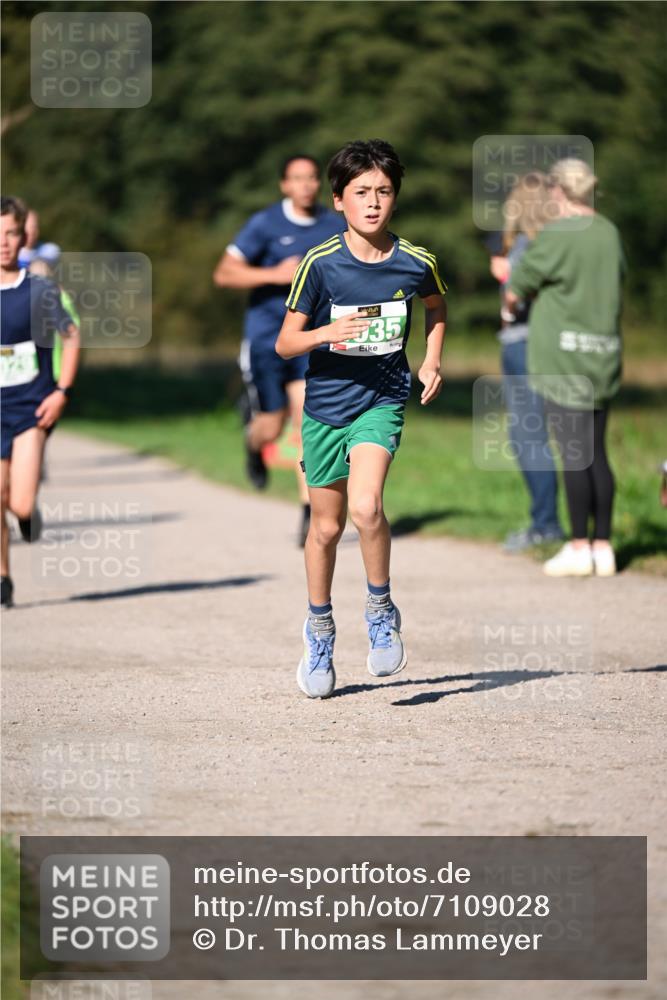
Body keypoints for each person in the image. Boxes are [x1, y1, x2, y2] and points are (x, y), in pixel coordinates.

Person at [276, 139, 447, 699]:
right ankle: (320, 628)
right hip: (326, 407)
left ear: (395, 198)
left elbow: (435, 306)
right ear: (338, 200)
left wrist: (431, 359)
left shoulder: (415, 261)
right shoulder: (320, 263)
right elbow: (285, 343)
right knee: (325, 529)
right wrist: (325, 333)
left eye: (384, 191)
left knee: (367, 507)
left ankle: (380, 610)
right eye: (361, 192)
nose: (373, 203)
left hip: (382, 400)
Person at [213, 155, 344, 546]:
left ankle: (309, 512)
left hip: (311, 338)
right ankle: (253, 444)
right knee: (272, 425)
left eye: (312, 178)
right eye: (297, 178)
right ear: (284, 185)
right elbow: (223, 274)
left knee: (308, 422)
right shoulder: (265, 224)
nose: (306, 185)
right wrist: (275, 274)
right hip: (267, 339)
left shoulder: (334, 226)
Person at [506, 159, 624, 577]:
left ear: (559, 190)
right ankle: (603, 547)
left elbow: (518, 287)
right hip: (603, 354)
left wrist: (511, 303)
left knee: (574, 454)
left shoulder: (558, 233)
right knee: (597, 453)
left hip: (563, 358)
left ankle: (577, 547)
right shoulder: (609, 232)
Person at [1, 196, 80, 608]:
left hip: (31, 407)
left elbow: (72, 337)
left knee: (18, 502)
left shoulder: (40, 289)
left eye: (11, 234)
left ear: (23, 238)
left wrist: (61, 392)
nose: (4, 243)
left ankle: (28, 515)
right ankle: (3, 576)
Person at [490, 173, 564, 551]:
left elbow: (516, 300)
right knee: (549, 434)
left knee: (527, 435)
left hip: (523, 344)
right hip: (552, 345)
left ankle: (546, 524)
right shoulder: (559, 244)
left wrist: (506, 288)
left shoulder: (525, 246)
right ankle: (552, 522)